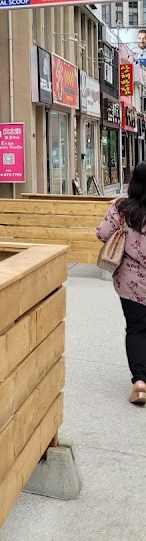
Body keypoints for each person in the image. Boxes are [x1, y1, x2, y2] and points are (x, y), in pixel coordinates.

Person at [96, 161, 146, 405]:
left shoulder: (122, 208)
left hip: (130, 281)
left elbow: (102, 233)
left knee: (136, 329)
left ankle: (140, 382)